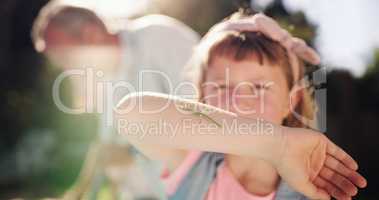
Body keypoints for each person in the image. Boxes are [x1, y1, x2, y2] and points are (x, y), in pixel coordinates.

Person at [115, 12, 367, 200]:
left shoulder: (308, 188)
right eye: (222, 87)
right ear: (202, 99)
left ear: (293, 102)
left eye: (258, 88)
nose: (238, 100)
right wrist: (277, 145)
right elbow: (130, 114)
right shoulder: (191, 161)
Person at [32, 1, 200, 199]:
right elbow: (107, 150)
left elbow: (204, 117)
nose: (66, 70)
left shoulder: (160, 38)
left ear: (90, 34)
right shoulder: (102, 83)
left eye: (66, 58)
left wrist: (131, 151)